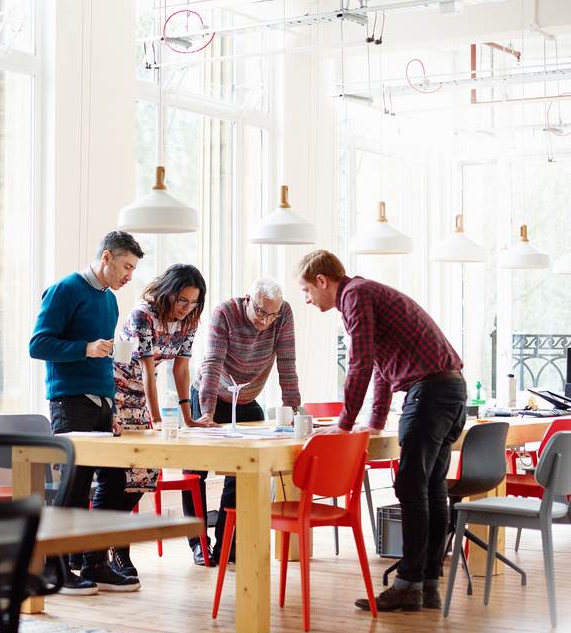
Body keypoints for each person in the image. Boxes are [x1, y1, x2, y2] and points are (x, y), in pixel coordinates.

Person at [295, 249, 466, 613]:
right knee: (432, 487)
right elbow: (381, 366)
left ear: (322, 280)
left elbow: (359, 363)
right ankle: (427, 585)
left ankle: (407, 585)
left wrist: (343, 425)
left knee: (410, 486)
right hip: (451, 390)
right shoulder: (366, 293)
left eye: (307, 290)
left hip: (430, 394)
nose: (307, 300)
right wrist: (373, 421)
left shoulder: (355, 296)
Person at [29, 230, 144, 594]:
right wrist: (86, 347)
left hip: (102, 404)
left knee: (112, 482)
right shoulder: (65, 289)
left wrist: (112, 405)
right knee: (74, 486)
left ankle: (95, 562)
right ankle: (57, 569)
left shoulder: (110, 301)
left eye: (134, 269)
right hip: (70, 402)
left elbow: (104, 356)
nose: (130, 276)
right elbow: (38, 344)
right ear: (106, 257)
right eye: (126, 266)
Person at [184, 277, 301, 566]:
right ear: (247, 299)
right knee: (195, 472)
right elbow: (212, 363)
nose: (265, 321)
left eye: (271, 314)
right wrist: (207, 413)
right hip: (211, 395)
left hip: (246, 400)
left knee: (242, 472)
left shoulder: (282, 314)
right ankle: (199, 544)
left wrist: (294, 412)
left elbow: (287, 364)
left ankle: (227, 544)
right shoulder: (225, 314)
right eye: (261, 312)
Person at [109, 263, 209, 577]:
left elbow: (180, 369)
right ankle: (115, 549)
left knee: (146, 474)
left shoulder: (189, 320)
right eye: (182, 300)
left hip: (145, 396)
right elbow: (149, 372)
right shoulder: (143, 315)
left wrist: (188, 417)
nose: (187, 307)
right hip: (119, 393)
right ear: (168, 293)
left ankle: (107, 537)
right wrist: (155, 419)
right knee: (123, 477)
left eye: (194, 302)